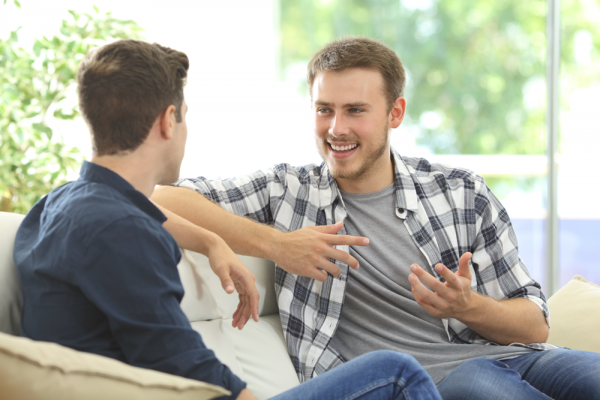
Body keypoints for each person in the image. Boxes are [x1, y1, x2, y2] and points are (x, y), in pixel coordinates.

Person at [151, 36, 600, 400]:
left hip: (519, 357)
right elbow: (162, 196)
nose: (336, 129)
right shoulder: (288, 191)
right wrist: (276, 245)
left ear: (395, 113)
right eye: (324, 109)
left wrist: (469, 307)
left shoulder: (461, 192)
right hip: (429, 386)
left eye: (355, 111)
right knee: (481, 384)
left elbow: (535, 324)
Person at [13, 39, 442, 400]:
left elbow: (130, 206)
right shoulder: (121, 233)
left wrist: (212, 241)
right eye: (185, 116)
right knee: (395, 372)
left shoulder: (61, 204)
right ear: (168, 121)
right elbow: (183, 363)